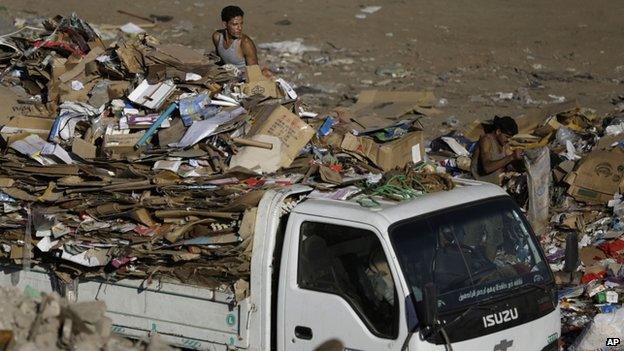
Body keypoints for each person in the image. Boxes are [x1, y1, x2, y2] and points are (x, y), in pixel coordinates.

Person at [470, 116, 522, 185]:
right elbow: (487, 167)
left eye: (510, 138)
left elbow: (513, 163)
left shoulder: (504, 144)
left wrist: (521, 158)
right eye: (507, 137)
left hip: (493, 186)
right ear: (498, 131)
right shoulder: (486, 140)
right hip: (479, 185)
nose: (509, 140)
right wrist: (512, 157)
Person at [212, 6, 260, 77]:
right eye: (235, 24)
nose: (240, 28)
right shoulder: (217, 37)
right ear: (225, 24)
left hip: (243, 81)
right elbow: (221, 61)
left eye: (241, 24)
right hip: (226, 78)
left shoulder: (245, 43)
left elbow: (254, 74)